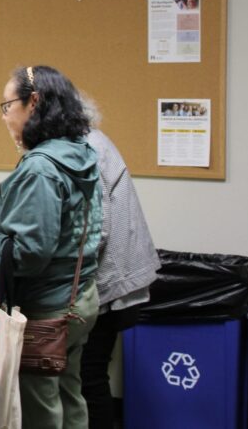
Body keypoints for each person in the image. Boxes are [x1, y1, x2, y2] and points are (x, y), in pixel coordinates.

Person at [0, 65, 103, 429]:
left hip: (46, 311)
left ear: (33, 102)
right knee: (69, 397)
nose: (5, 117)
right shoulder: (79, 154)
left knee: (39, 410)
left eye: (7, 106)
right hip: (79, 297)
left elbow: (28, 253)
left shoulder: (40, 169)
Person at [79, 99, 160, 429]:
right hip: (122, 282)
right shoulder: (95, 140)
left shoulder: (83, 149)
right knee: (90, 376)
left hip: (110, 287)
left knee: (87, 378)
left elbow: (95, 231)